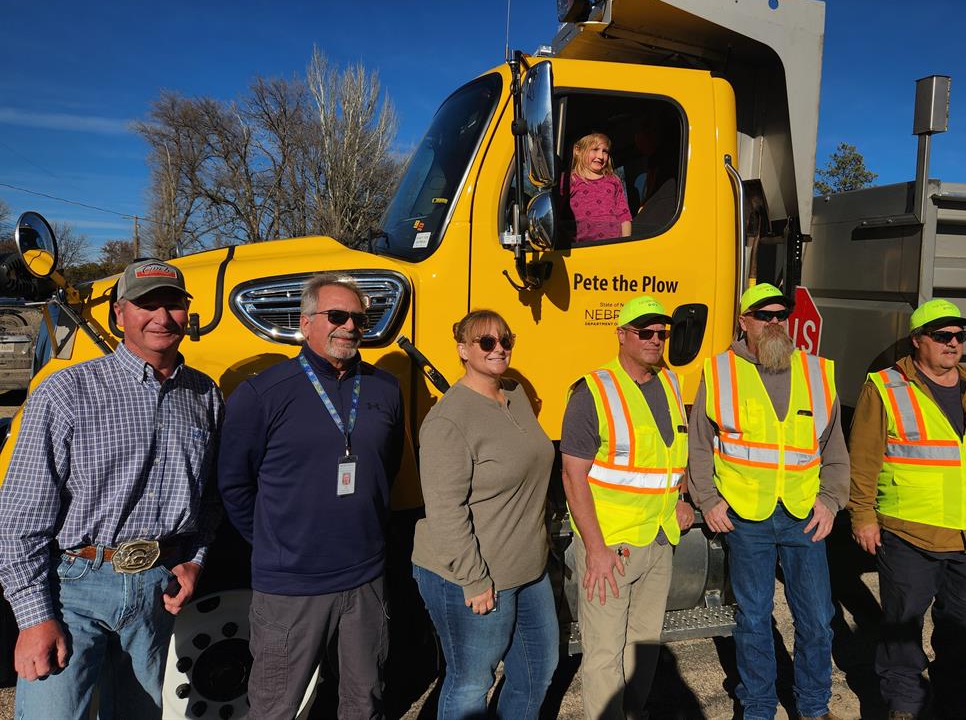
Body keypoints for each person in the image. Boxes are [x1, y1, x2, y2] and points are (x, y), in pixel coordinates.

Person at [0, 257, 223, 718]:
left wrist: (195, 561)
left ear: (187, 312)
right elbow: (21, 516)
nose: (162, 318)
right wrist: (34, 616)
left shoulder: (206, 395)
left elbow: (210, 497)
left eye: (173, 304)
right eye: (146, 304)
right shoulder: (67, 391)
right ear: (119, 314)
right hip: (73, 587)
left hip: (155, 590)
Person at [218, 273, 404, 719]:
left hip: (366, 579)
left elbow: (387, 467)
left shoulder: (384, 389)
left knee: (365, 702)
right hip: (291, 587)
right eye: (336, 315)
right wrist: (275, 543)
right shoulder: (264, 393)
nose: (349, 326)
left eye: (360, 318)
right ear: (306, 323)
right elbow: (234, 484)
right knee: (275, 707)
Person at [848, 299, 966, 720]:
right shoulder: (885, 387)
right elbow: (864, 459)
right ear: (918, 341)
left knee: (964, 636)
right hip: (911, 535)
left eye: (960, 335)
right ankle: (903, 708)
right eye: (942, 336)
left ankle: (953, 707)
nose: (953, 343)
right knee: (902, 634)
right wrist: (863, 517)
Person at [687, 282, 848, 720]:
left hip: (804, 516)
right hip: (745, 516)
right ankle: (758, 706)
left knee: (816, 620)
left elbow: (834, 449)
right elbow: (700, 445)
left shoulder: (817, 372)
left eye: (781, 314)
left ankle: (813, 706)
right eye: (763, 315)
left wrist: (831, 501)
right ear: (744, 322)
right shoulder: (719, 371)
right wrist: (708, 500)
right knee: (753, 619)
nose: (774, 322)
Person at [411, 310, 558, 719]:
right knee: (472, 682)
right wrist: (474, 580)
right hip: (473, 576)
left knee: (538, 671)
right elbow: (444, 511)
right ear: (463, 349)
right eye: (486, 342)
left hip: (529, 570)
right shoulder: (448, 420)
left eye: (505, 340)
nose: (499, 348)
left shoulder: (515, 397)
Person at [561, 294, 693, 720]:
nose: (655, 339)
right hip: (611, 547)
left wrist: (683, 498)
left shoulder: (671, 384)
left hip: (658, 541)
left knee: (643, 649)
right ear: (621, 335)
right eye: (645, 331)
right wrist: (595, 551)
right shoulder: (592, 391)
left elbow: (674, 453)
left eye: (662, 332)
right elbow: (572, 476)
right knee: (604, 653)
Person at [564, 132, 633, 243]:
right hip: (581, 248)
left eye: (605, 151)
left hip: (613, 245)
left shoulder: (613, 180)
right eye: (595, 149)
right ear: (578, 150)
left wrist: (625, 242)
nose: (600, 156)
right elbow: (557, 215)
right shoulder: (570, 180)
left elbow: (624, 215)